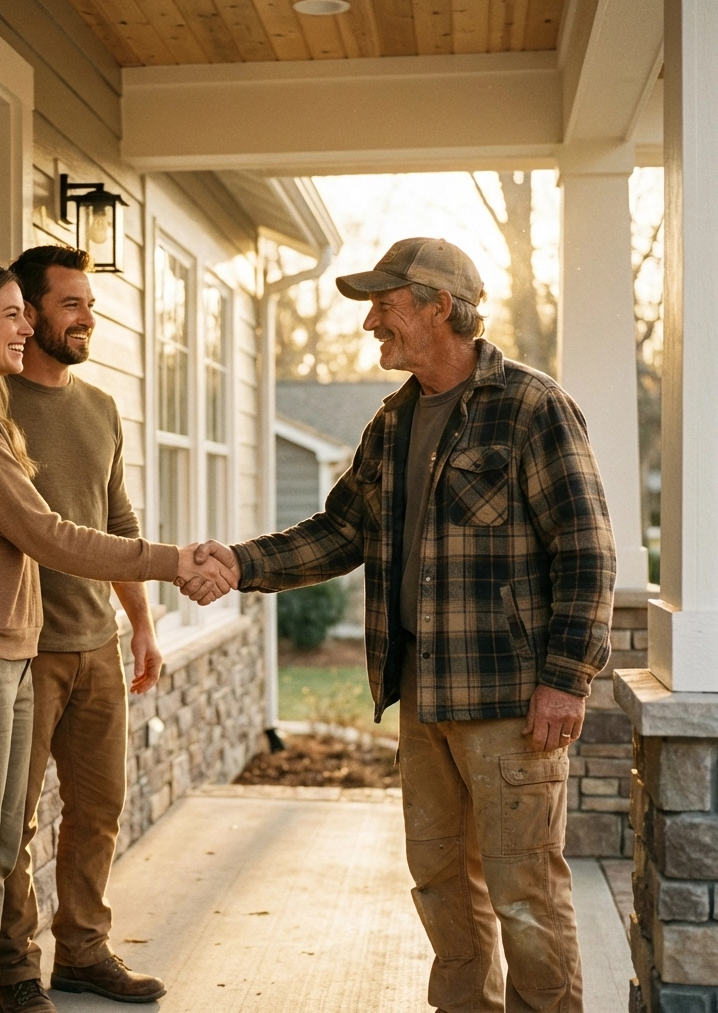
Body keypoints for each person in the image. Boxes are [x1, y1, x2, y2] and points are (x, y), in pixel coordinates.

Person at [180, 238, 617, 1013]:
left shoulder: (531, 405)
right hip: (423, 695)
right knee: (443, 886)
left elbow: (586, 550)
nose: (369, 322)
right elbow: (340, 530)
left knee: (526, 895)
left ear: (438, 304)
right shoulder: (395, 419)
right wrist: (240, 562)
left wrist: (565, 681)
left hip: (513, 701)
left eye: (384, 304)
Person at [0, 259, 235, 1013]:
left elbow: (38, 521)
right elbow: (41, 531)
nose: (26, 327)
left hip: (14, 650)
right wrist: (179, 562)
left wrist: (141, 619)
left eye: (23, 314)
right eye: (13, 313)